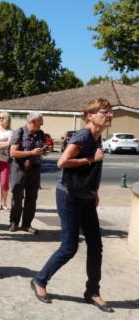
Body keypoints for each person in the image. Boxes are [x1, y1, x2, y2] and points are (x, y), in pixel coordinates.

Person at [31, 99, 114, 313]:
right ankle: (40, 280)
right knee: (70, 246)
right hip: (68, 196)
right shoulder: (83, 136)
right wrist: (90, 158)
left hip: (86, 196)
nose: (110, 115)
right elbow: (62, 162)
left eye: (110, 112)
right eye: (105, 112)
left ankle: (92, 291)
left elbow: (92, 170)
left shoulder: (97, 137)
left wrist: (94, 192)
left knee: (96, 246)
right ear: (90, 116)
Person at [9, 112, 48, 234]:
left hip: (35, 168)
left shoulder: (40, 134)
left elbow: (43, 148)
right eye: (40, 123)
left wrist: (45, 151)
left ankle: (26, 224)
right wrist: (31, 153)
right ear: (32, 122)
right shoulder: (19, 132)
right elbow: (13, 153)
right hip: (19, 168)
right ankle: (14, 222)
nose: (42, 124)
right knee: (17, 196)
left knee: (31, 198)